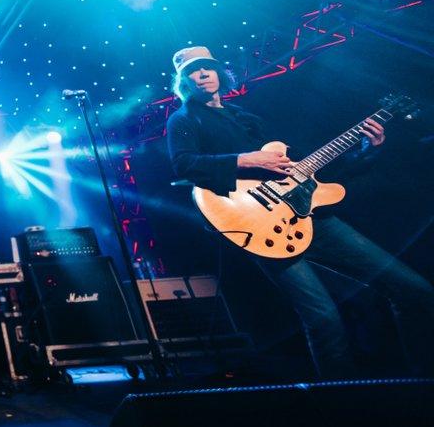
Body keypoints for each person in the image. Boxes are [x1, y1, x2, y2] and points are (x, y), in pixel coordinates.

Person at [165, 45, 434, 378]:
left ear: (220, 71)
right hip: (264, 226)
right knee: (325, 319)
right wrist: (247, 160)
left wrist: (365, 153)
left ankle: (422, 386)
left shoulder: (246, 118)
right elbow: (183, 164)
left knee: (413, 290)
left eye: (208, 66)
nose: (202, 73)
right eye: (193, 70)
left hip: (311, 215)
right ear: (184, 81)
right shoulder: (183, 119)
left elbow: (311, 172)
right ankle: (344, 406)